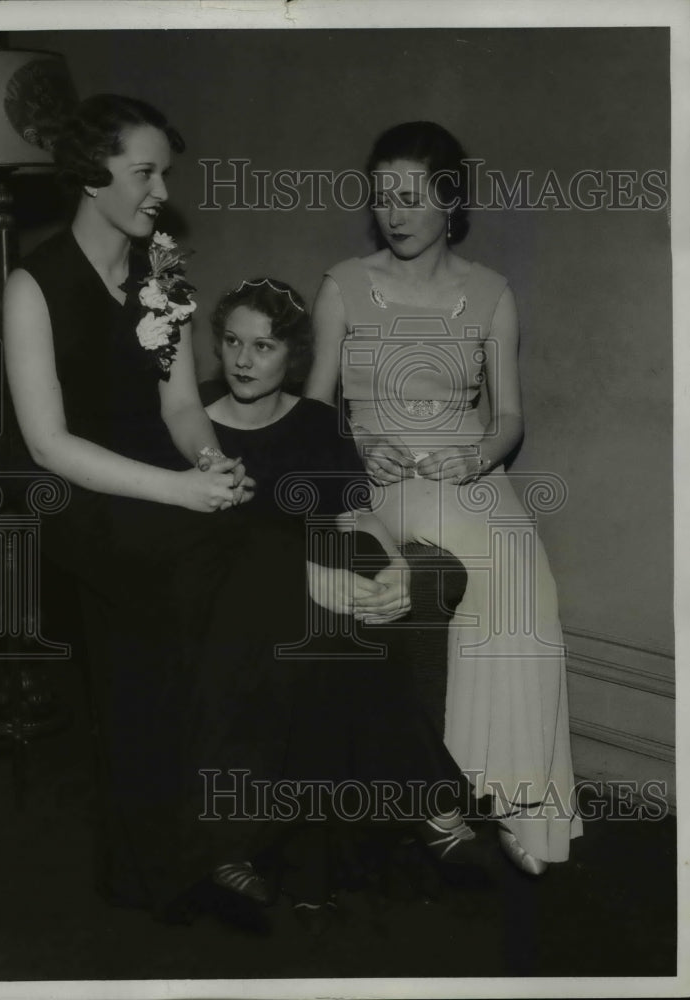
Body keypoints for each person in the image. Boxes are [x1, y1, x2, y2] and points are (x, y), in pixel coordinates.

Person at [2, 94, 309, 923]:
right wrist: (182, 491)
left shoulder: (161, 269)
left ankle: (226, 832)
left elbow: (179, 411)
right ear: (91, 173)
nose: (157, 191)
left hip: (156, 476)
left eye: (161, 174)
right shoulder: (34, 284)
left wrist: (216, 465)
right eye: (144, 173)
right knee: (180, 590)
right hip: (72, 494)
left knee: (269, 557)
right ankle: (166, 863)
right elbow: (47, 445)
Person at [304, 121, 582, 874]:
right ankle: (445, 795)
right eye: (382, 196)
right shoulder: (344, 285)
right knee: (477, 574)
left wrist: (479, 455)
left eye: (411, 197)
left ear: (448, 201)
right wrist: (362, 445)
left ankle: (517, 803)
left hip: (468, 469)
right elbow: (311, 410)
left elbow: (510, 417)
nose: (393, 213)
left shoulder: (489, 292)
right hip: (387, 475)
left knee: (530, 586)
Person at [183, 276, 495, 930]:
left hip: (308, 609)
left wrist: (399, 569)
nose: (243, 360)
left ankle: (242, 845)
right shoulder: (189, 423)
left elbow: (356, 515)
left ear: (291, 356)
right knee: (316, 613)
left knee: (337, 630)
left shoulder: (314, 425)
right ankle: (432, 804)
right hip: (221, 602)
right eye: (233, 342)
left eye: (262, 347)